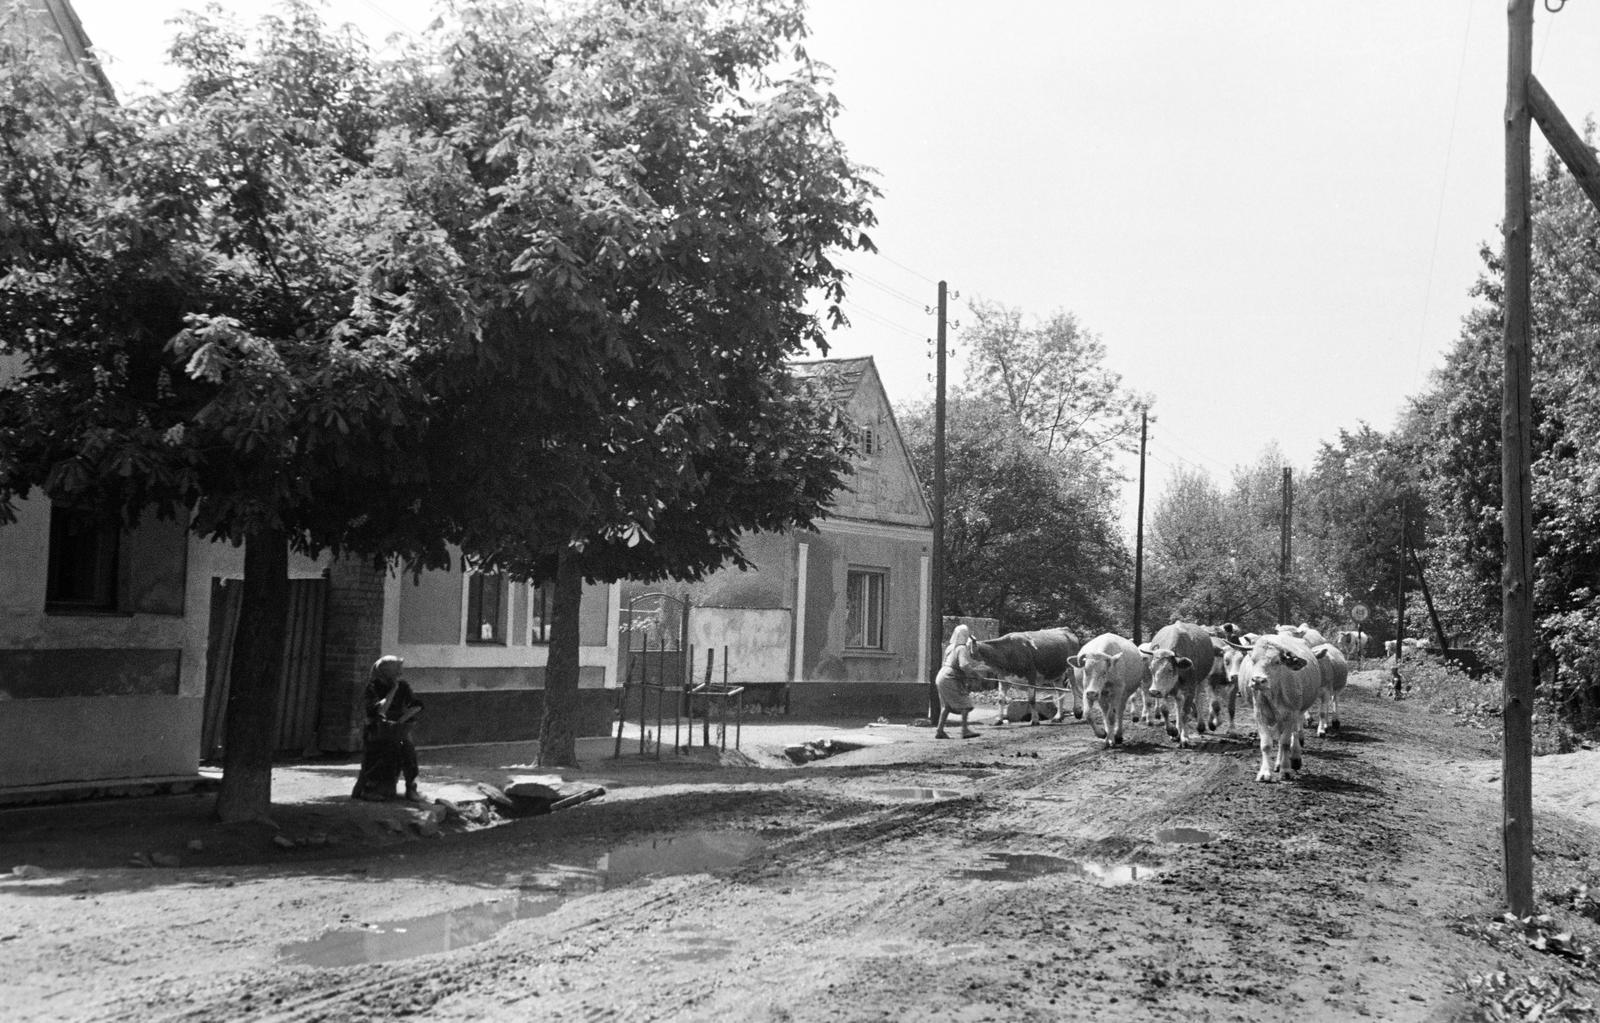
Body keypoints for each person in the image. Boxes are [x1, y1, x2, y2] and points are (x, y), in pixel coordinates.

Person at [351, 655, 426, 802]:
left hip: (397, 729)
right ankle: (371, 789)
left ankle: (411, 787)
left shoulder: (403, 686)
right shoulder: (373, 687)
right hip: (377, 729)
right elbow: (379, 711)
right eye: (397, 670)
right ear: (387, 671)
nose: (400, 673)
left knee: (408, 750)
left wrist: (401, 720)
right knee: (384, 751)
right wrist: (393, 690)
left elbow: (417, 705)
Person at [934, 625, 981, 739]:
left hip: (941, 676)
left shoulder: (950, 647)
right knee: (966, 704)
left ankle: (940, 730)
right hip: (950, 677)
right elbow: (964, 665)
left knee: (947, 706)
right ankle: (964, 730)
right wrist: (976, 675)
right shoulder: (961, 648)